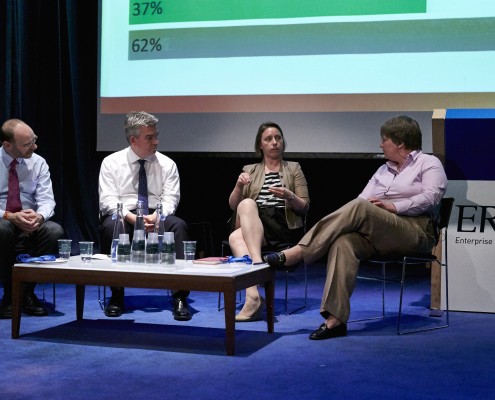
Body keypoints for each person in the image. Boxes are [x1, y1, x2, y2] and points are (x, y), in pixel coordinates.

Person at [265, 115, 448, 339]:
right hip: (380, 233)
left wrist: (393, 206)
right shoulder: (383, 170)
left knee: (361, 208)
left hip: (416, 231)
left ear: (400, 142)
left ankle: (298, 252)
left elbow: (431, 197)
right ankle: (336, 320)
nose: (380, 145)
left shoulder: (429, 163)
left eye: (384, 140)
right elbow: (361, 200)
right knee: (344, 242)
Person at [98, 111, 192, 321]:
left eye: (156, 136)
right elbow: (107, 200)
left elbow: (171, 198)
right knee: (110, 226)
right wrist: (133, 218)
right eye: (149, 137)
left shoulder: (167, 164)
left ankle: (180, 296)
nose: (156, 141)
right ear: (133, 140)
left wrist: (158, 216)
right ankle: (116, 293)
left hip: (156, 214)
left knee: (178, 226)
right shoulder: (111, 163)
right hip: (125, 215)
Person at [228, 121, 310, 322]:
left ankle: (253, 295)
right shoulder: (249, 169)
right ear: (260, 145)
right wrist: (239, 186)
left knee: (235, 238)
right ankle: (258, 265)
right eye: (268, 139)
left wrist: (290, 196)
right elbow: (233, 206)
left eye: (278, 138)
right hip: (254, 223)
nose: (274, 142)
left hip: (282, 225)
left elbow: (304, 206)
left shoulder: (294, 168)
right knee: (247, 203)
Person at [0, 119, 65, 319]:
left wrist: (39, 216)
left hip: (29, 220)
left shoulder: (38, 162)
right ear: (8, 145)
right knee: (2, 228)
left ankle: (27, 292)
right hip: (3, 218)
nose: (34, 146)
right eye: (27, 144)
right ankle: (10, 295)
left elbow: (47, 200)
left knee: (54, 231)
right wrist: (9, 215)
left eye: (34, 140)